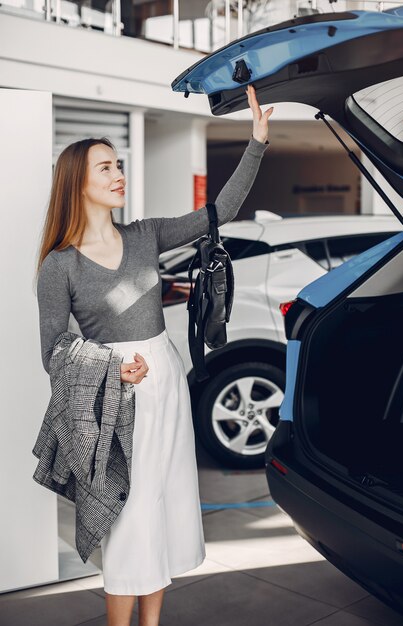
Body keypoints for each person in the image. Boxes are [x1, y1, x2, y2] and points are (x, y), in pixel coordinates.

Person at [35, 85, 273, 626]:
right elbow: (52, 352)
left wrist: (256, 141)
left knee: (162, 504)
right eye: (105, 168)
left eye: (119, 164)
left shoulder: (145, 236)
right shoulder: (59, 265)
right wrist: (110, 367)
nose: (119, 174)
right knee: (130, 516)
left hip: (165, 377)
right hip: (114, 391)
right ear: (78, 183)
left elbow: (221, 212)